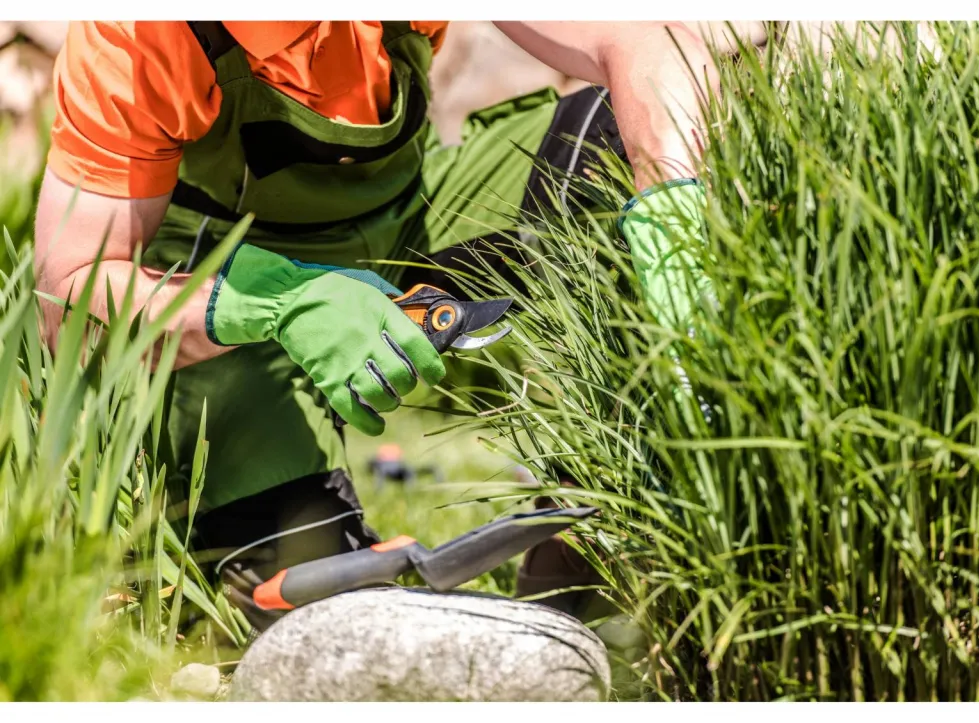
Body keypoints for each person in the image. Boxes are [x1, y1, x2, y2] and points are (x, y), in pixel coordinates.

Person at [32, 20, 719, 630]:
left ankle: (589, 550)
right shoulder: (138, 34)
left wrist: (673, 207)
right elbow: (70, 298)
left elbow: (649, 39)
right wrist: (279, 303)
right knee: (315, 591)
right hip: (226, 309)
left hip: (405, 236)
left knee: (604, 138)